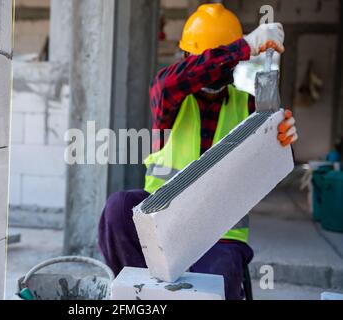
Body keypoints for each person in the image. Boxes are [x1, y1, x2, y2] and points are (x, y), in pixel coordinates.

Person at [98, 3, 298, 300]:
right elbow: (175, 81)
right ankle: (143, 296)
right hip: (162, 220)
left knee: (211, 285)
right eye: (205, 58)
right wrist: (246, 45)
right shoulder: (169, 96)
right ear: (187, 58)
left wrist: (282, 141)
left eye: (223, 61)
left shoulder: (248, 105)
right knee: (118, 207)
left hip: (220, 232)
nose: (215, 70)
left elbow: (268, 168)